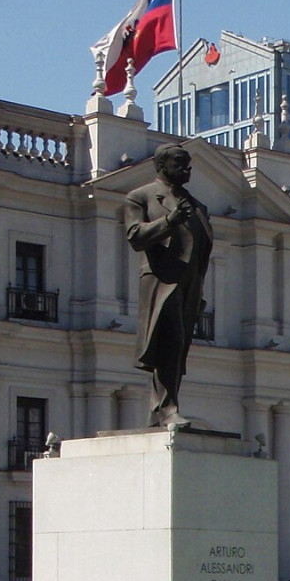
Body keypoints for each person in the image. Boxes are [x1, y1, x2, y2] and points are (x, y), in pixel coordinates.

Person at [122, 143, 215, 428]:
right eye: (180, 163)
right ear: (162, 166)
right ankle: (167, 409)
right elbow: (135, 236)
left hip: (189, 284)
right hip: (162, 280)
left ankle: (159, 410)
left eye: (188, 164)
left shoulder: (198, 206)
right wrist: (168, 222)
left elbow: (201, 247)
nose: (187, 169)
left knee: (178, 349)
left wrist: (198, 287)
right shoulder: (141, 197)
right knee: (168, 344)